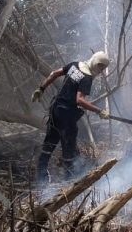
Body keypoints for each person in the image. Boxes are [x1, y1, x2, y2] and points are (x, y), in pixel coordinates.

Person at [31, 51, 111, 182]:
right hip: (67, 115)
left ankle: (41, 178)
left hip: (55, 109)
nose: (101, 70)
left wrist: (41, 88)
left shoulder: (75, 65)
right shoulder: (87, 77)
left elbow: (54, 73)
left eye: (104, 68)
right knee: (69, 147)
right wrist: (99, 111)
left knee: (50, 142)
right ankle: (69, 181)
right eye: (101, 66)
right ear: (95, 62)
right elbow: (79, 100)